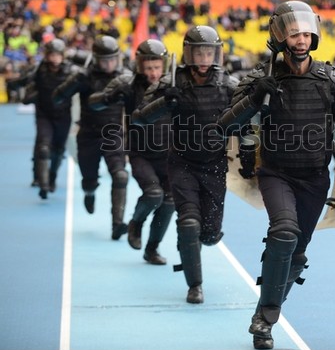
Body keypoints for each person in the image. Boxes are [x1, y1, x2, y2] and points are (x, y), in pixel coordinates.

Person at [217, 1, 335, 350]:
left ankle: (262, 314)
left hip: (316, 177)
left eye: (305, 32)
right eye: (293, 33)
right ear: (279, 36)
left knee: (297, 253)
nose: (301, 40)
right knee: (283, 233)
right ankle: (267, 321)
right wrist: (254, 100)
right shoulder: (258, 80)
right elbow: (224, 127)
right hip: (275, 173)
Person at [132, 26, 239, 304]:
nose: (204, 58)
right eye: (199, 52)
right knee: (188, 223)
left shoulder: (228, 84)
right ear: (189, 53)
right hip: (182, 164)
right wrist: (165, 102)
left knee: (210, 234)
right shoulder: (171, 83)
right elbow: (140, 117)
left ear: (216, 54)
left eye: (209, 52)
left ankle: (207, 237)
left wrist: (249, 151)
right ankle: (195, 285)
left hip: (215, 166)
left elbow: (249, 117)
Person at [89, 39, 174, 263]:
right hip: (141, 154)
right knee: (154, 195)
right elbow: (94, 102)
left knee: (169, 201)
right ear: (139, 66)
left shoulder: (174, 85)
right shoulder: (127, 84)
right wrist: (108, 96)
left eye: (156, 67)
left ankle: (152, 249)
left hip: (169, 155)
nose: (153, 72)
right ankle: (136, 223)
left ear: (164, 65)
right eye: (148, 68)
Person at [53, 35, 129, 240]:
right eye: (105, 60)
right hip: (88, 135)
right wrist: (69, 86)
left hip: (113, 134)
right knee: (89, 180)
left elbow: (143, 101)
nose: (109, 64)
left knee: (121, 175)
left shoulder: (124, 77)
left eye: (113, 59)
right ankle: (89, 192)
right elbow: (58, 96)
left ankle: (117, 224)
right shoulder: (85, 77)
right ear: (96, 59)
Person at [10, 39, 78, 198]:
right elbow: (22, 81)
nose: (54, 58)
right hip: (44, 115)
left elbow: (86, 86)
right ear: (47, 56)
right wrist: (13, 83)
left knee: (58, 150)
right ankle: (43, 183)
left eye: (57, 55)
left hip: (63, 116)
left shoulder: (72, 71)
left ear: (62, 56)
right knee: (43, 147)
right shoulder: (38, 70)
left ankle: (52, 176)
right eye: (51, 55)